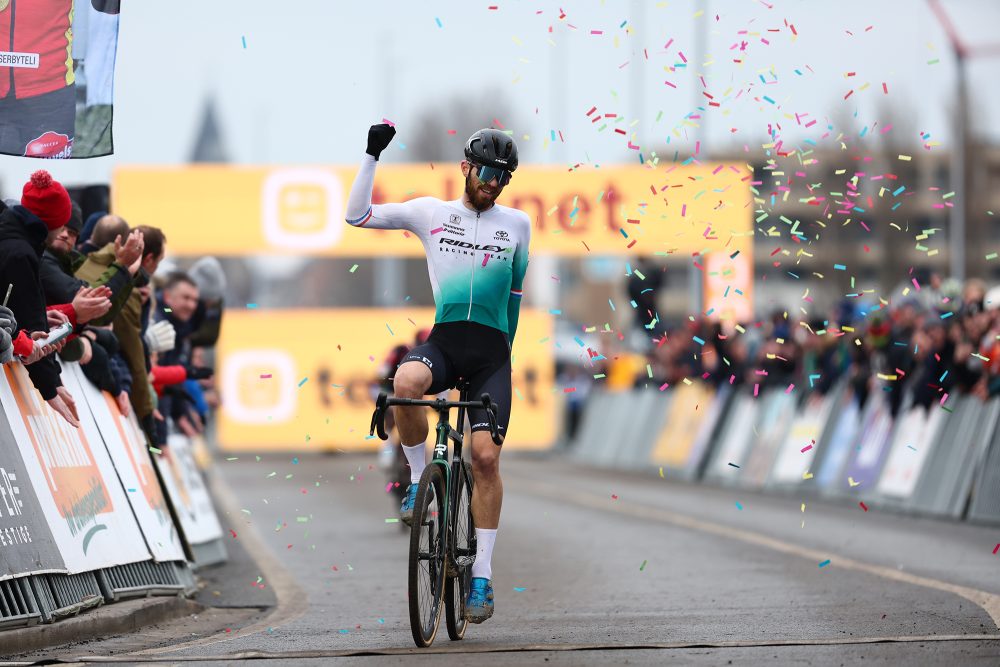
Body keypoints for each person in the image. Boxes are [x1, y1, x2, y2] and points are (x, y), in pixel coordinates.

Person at [345, 124, 530, 624]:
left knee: (486, 458)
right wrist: (371, 155)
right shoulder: (432, 213)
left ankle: (482, 579)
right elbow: (356, 215)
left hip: (491, 355)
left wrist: (503, 362)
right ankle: (413, 478)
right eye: (488, 171)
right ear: (466, 167)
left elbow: (513, 303)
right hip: (446, 342)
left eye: (504, 176)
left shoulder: (517, 225)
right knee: (404, 385)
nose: (494, 182)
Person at [0, 170, 80, 425]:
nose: (64, 232)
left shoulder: (18, 240)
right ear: (51, 222)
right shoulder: (20, 253)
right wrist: (50, 385)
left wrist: (52, 380)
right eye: (62, 223)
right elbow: (28, 320)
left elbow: (20, 313)